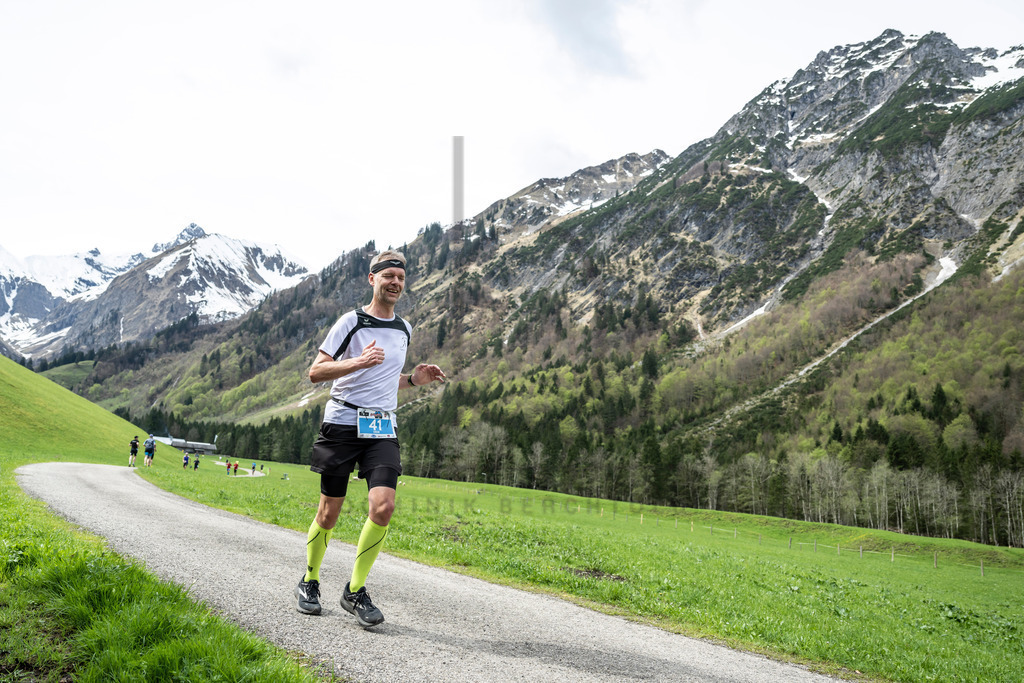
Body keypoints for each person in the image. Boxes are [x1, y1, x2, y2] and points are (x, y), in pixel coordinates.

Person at [294, 250, 446, 627]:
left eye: (400, 277)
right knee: (329, 513)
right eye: (388, 276)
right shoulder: (352, 321)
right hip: (342, 423)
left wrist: (412, 380)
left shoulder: (404, 329)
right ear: (372, 279)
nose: (395, 282)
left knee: (383, 507)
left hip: (381, 427)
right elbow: (317, 372)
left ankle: (355, 590)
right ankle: (310, 580)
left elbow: (383, 379)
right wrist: (357, 361)